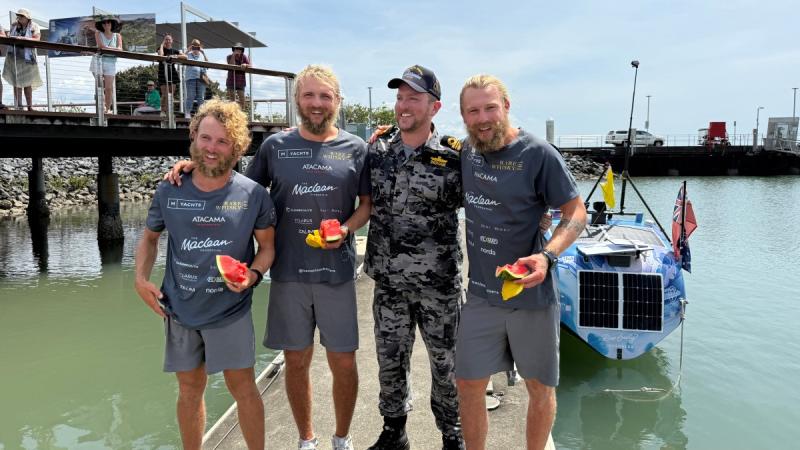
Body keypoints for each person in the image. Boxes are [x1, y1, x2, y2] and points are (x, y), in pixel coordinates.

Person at [166, 64, 371, 450]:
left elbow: (366, 205)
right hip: (288, 273)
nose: (316, 103)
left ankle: (342, 438)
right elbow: (238, 187)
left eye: (325, 96)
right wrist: (196, 166)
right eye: (308, 95)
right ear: (297, 101)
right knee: (296, 361)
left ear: (338, 102)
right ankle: (306, 439)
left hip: (337, 272)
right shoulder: (276, 147)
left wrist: (345, 229)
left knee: (344, 362)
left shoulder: (356, 149)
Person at [454, 75, 587, 450]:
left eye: (490, 107)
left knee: (539, 389)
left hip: (531, 296)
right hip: (481, 295)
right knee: (468, 385)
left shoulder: (538, 153)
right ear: (464, 115)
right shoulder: (466, 151)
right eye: (473, 110)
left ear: (507, 107)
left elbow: (575, 210)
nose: (483, 118)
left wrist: (548, 256)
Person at [135, 99, 276, 450]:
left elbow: (268, 248)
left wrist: (254, 275)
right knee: (188, 389)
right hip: (179, 309)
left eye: (222, 141)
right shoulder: (170, 189)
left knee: (243, 388)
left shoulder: (254, 194)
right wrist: (140, 279)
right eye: (206, 138)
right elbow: (150, 238)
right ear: (194, 136)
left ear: (237, 146)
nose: (212, 149)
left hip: (230, 310)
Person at [363, 65, 464, 450]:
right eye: (400, 97)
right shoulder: (378, 148)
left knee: (447, 366)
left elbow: (496, 198)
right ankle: (394, 432)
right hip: (388, 283)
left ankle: (453, 437)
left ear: (434, 107)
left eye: (414, 98)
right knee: (389, 363)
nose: (404, 106)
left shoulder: (456, 157)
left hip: (438, 286)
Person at [2, 8, 42, 111]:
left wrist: (23, 39)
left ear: (27, 17)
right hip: (15, 57)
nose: (19, 17)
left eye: (22, 16)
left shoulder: (34, 26)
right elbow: (9, 36)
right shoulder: (14, 25)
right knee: (16, 82)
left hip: (28, 58)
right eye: (18, 15)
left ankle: (30, 106)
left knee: (28, 83)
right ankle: (19, 105)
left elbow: (37, 39)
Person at [93, 15, 123, 113]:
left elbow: (120, 49)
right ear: (101, 24)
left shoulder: (117, 35)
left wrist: (107, 48)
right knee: (100, 86)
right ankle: (103, 108)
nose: (106, 24)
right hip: (98, 61)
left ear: (112, 24)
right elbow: (101, 46)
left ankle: (108, 108)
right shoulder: (98, 33)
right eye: (104, 23)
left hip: (111, 63)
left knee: (109, 88)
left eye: (108, 22)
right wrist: (114, 49)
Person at [157, 33, 184, 113]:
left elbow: (185, 56)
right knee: (164, 95)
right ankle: (163, 111)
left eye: (169, 39)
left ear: (172, 41)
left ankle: (170, 112)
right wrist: (162, 45)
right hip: (162, 73)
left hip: (172, 73)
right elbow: (161, 55)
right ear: (164, 41)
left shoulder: (174, 51)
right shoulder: (160, 48)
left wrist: (175, 56)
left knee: (171, 95)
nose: (168, 41)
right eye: (166, 39)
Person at [183, 38, 208, 118]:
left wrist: (203, 53)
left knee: (201, 97)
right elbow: (181, 57)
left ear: (200, 46)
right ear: (191, 46)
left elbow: (207, 64)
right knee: (191, 96)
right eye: (194, 46)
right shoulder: (188, 54)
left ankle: (201, 114)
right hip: (190, 78)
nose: (196, 47)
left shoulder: (202, 55)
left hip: (201, 78)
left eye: (197, 46)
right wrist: (187, 50)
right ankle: (187, 113)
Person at [226, 42, 250, 110]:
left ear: (242, 50)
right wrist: (234, 55)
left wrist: (246, 65)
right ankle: (232, 114)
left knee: (242, 98)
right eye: (237, 49)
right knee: (232, 100)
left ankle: (242, 114)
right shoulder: (229, 56)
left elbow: (249, 65)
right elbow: (231, 65)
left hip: (240, 81)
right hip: (231, 80)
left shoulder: (244, 56)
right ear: (234, 49)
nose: (238, 50)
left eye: (240, 49)